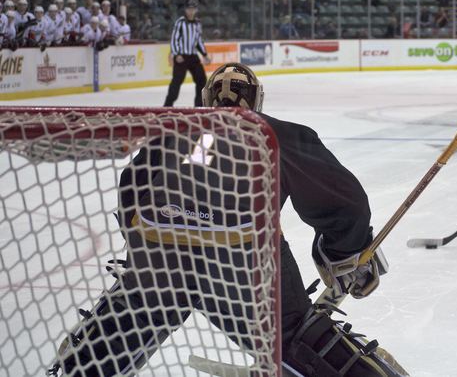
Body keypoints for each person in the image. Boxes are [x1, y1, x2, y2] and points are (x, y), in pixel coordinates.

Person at [48, 63, 404, 377]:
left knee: (136, 313)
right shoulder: (274, 134)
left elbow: (132, 193)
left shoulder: (171, 131)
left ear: (206, 98)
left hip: (161, 254)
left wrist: (141, 259)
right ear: (257, 100)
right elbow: (345, 202)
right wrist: (345, 254)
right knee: (294, 336)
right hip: (241, 266)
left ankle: (82, 366)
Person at [163, 0, 210, 107]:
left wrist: (204, 54)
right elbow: (174, 39)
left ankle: (199, 106)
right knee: (176, 82)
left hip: (193, 56)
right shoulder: (180, 22)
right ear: (185, 10)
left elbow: (198, 41)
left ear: (196, 10)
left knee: (202, 80)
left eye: (193, 9)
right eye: (189, 9)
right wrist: (177, 54)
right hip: (181, 56)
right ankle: (167, 105)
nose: (191, 11)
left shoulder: (198, 23)